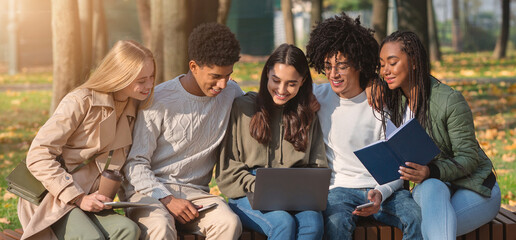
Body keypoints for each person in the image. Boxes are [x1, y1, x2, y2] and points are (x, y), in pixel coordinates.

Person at [18, 40, 155, 240]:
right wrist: (79, 197)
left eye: (151, 77)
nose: (149, 86)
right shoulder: (81, 101)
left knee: (129, 230)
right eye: (141, 80)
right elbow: (38, 156)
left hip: (93, 201)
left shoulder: (134, 108)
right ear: (120, 75)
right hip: (53, 197)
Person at [305, 13, 423, 240]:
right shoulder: (317, 96)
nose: (333, 74)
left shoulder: (382, 100)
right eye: (327, 66)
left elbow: (398, 164)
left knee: (416, 218)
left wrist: (380, 192)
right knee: (335, 223)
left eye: (341, 66)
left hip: (384, 189)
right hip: (338, 190)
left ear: (359, 64)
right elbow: (278, 92)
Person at [120, 22, 243, 240]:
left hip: (197, 195)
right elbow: (135, 163)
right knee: (160, 225)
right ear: (194, 66)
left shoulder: (231, 93)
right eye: (215, 76)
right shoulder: (158, 99)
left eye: (228, 75)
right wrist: (166, 198)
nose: (223, 84)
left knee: (229, 223)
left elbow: (263, 105)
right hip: (150, 193)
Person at [374, 31, 501, 239]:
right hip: (432, 189)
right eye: (381, 64)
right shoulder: (395, 102)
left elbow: (469, 158)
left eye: (392, 62)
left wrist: (430, 171)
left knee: (430, 227)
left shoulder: (450, 101)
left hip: (476, 188)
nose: (385, 71)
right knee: (432, 189)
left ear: (414, 62)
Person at [216, 43, 328, 240]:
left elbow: (317, 166)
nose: (282, 90)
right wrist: (262, 185)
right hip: (247, 190)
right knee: (283, 223)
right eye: (276, 80)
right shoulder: (242, 108)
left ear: (302, 82)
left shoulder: (307, 115)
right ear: (267, 73)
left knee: (313, 225)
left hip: (296, 191)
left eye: (291, 83)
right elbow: (227, 172)